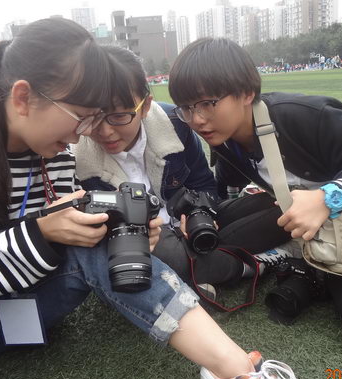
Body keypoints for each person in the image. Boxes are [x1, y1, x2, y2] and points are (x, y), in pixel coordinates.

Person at [0, 20, 333, 379]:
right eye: (82, 118)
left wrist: (127, 230)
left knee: (103, 228)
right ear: (24, 98)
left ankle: (234, 376)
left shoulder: (56, 156)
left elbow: (67, 245)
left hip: (29, 315)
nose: (83, 136)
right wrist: (43, 232)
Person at [168, 37, 342, 343]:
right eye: (186, 108)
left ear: (246, 92)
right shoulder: (226, 144)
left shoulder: (301, 114)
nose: (197, 119)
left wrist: (327, 198)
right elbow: (223, 193)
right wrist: (202, 215)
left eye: (207, 103)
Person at [73, 45, 289, 300]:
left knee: (278, 208)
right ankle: (247, 265)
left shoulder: (174, 123)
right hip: (149, 240)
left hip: (187, 222)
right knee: (158, 251)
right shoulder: (79, 161)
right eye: (92, 118)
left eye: (119, 116)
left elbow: (203, 184)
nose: (105, 131)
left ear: (145, 106)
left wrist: (200, 212)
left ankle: (199, 267)